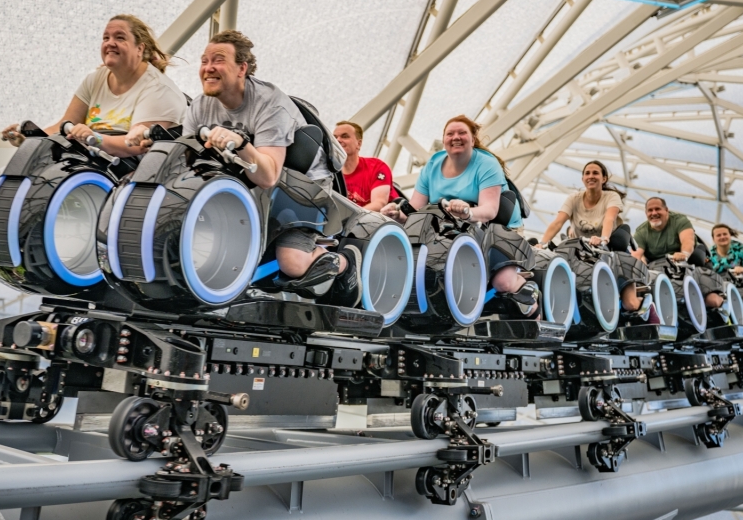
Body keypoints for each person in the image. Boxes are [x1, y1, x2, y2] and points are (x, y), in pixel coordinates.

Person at [184, 30, 361, 307]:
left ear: (242, 68)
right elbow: (186, 158)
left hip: (303, 185)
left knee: (293, 263)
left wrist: (241, 143)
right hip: (248, 181)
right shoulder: (200, 105)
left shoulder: (269, 103)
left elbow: (268, 176)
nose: (208, 68)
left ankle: (345, 262)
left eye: (218, 60)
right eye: (204, 60)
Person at [381, 115, 537, 316]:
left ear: (472, 139)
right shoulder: (433, 164)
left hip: (498, 228)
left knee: (503, 282)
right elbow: (415, 210)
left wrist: (467, 212)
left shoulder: (487, 164)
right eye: (450, 134)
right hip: (454, 228)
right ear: (444, 139)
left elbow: (489, 211)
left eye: (462, 133)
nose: (456, 137)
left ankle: (530, 297)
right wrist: (398, 215)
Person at [1, 14, 186, 158]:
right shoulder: (94, 80)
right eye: (105, 38)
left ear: (140, 49)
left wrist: (95, 139)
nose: (110, 43)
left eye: (120, 37)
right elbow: (64, 125)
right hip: (89, 162)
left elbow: (135, 145)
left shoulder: (158, 89)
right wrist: (30, 140)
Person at [537, 160, 630, 251]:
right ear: (583, 179)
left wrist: (603, 239)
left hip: (606, 250)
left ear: (604, 179)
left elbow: (609, 219)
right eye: (587, 173)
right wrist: (542, 244)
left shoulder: (612, 196)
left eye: (595, 173)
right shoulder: (573, 198)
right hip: (578, 250)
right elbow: (557, 223)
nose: (591, 176)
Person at [333, 121, 393, 212]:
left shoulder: (376, 167)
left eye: (345, 136)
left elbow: (379, 204)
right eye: (334, 137)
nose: (338, 140)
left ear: (359, 143)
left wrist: (350, 217)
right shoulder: (329, 172)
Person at [632, 197, 704, 264]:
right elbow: (637, 254)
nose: (654, 213)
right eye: (650, 210)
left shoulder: (679, 220)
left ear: (666, 210)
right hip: (657, 266)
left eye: (657, 209)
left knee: (696, 259)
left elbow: (687, 241)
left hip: (689, 260)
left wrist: (684, 254)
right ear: (646, 213)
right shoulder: (640, 232)